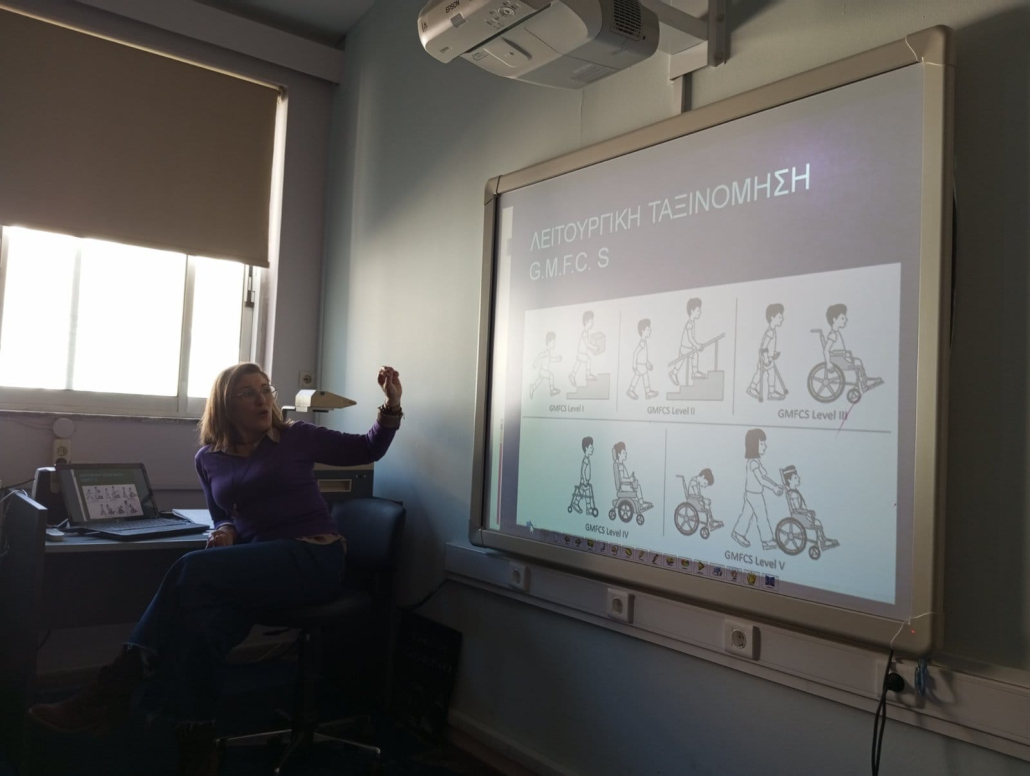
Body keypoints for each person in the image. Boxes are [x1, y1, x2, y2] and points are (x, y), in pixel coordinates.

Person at [28, 361, 403, 775]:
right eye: (249, 392)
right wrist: (225, 529)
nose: (262, 399)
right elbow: (221, 512)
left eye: (266, 390)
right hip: (261, 565)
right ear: (226, 404)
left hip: (313, 557)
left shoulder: (295, 437)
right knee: (204, 626)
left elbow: (368, 449)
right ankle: (197, 741)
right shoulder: (208, 458)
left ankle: (112, 688)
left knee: (192, 568)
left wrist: (391, 406)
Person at [731, 428, 781, 550]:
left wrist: (775, 485)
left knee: (746, 515)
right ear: (754, 445)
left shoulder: (756, 461)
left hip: (751, 493)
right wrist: (774, 488)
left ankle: (738, 533)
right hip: (754, 494)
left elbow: (764, 477)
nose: (765, 446)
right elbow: (761, 480)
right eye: (762, 443)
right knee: (762, 516)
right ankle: (767, 541)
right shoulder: (753, 463)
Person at [627, 319, 658, 400]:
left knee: (640, 376)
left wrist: (647, 363)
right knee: (643, 376)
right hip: (640, 365)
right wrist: (634, 365)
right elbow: (635, 353)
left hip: (642, 365)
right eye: (648, 329)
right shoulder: (642, 343)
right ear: (643, 331)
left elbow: (643, 355)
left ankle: (635, 390)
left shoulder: (644, 342)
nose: (650, 331)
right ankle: (645, 392)